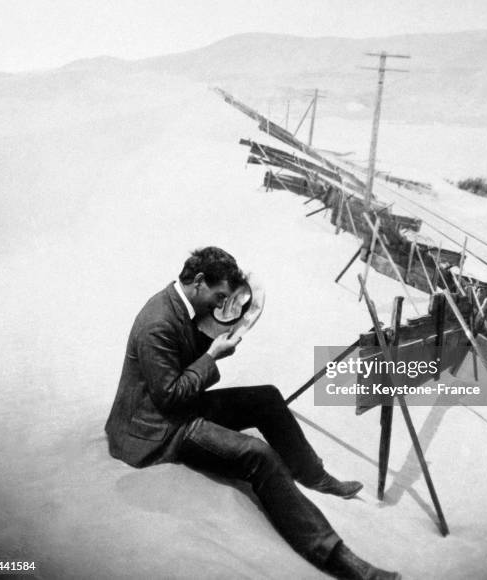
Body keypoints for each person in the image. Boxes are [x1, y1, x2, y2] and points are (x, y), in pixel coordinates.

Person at [105, 246, 401, 580]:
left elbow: (184, 364)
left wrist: (226, 335)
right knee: (258, 454)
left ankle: (313, 475)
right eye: (219, 297)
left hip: (175, 409)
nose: (220, 305)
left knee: (267, 399)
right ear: (199, 281)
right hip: (156, 431)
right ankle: (337, 556)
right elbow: (170, 395)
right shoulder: (158, 321)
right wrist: (212, 356)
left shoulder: (182, 306)